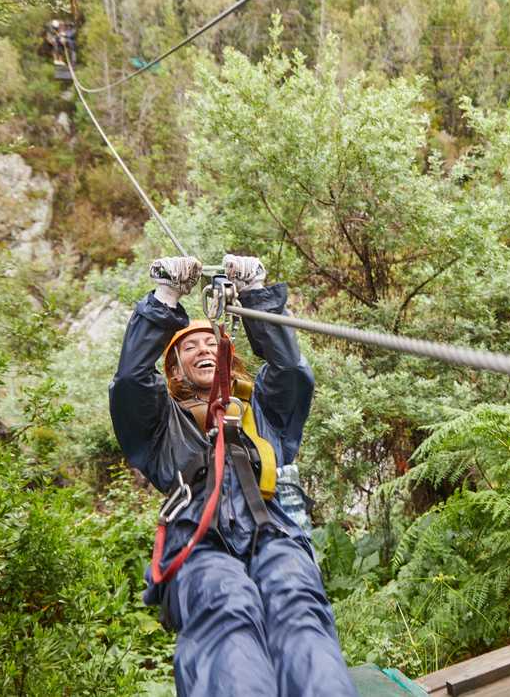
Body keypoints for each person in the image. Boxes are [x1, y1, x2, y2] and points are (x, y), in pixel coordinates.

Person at [110, 254, 357, 697]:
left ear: (225, 353)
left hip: (271, 530)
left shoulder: (262, 412)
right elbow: (130, 379)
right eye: (189, 348)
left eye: (210, 343)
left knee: (296, 604)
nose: (203, 349)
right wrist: (166, 298)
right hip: (197, 540)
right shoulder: (158, 425)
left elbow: (290, 370)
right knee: (225, 606)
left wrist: (256, 294)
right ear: (175, 370)